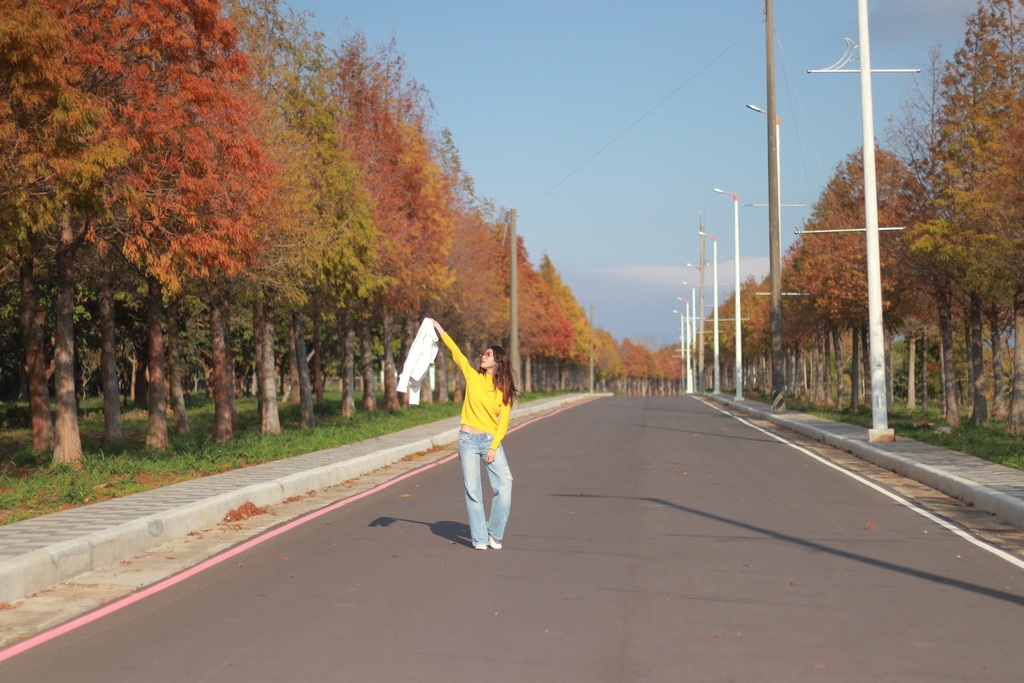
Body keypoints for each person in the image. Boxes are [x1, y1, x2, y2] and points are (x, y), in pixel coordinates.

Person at [431, 319, 519, 550]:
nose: (483, 356)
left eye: (488, 354)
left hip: (491, 440)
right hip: (468, 441)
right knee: (473, 491)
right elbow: (456, 352)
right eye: (483, 353)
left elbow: (504, 422)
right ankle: (480, 538)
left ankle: (494, 533)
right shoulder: (473, 377)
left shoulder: (504, 389)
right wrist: (440, 329)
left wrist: (493, 447)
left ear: (497, 362)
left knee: (505, 486)